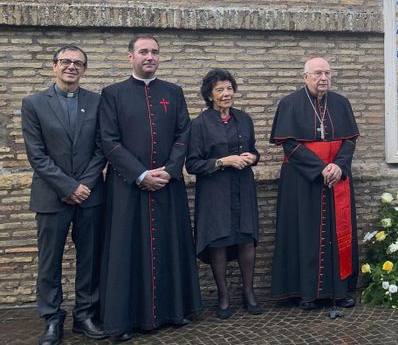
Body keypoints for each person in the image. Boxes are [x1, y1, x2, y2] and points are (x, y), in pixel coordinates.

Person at [98, 35, 202, 341]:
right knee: (127, 251)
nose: (150, 56)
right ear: (130, 56)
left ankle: (174, 310)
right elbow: (108, 140)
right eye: (143, 51)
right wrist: (140, 174)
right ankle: (126, 319)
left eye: (155, 52)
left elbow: (184, 132)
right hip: (128, 188)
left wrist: (170, 171)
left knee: (170, 245)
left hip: (168, 187)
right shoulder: (112, 94)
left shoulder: (174, 92)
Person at [21, 46, 107, 345]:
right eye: (66, 62)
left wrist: (84, 184)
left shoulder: (97, 102)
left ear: (84, 69)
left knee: (90, 258)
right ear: (54, 66)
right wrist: (69, 187)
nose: (72, 67)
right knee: (49, 261)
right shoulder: (33, 103)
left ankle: (85, 314)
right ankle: (52, 319)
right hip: (51, 197)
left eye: (78, 63)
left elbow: (102, 148)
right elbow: (37, 154)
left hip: (91, 195)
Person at [269, 56, 360, 309]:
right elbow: (289, 144)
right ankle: (304, 293)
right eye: (318, 73)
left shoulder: (341, 103)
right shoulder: (290, 104)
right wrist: (320, 169)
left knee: (337, 234)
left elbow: (350, 140)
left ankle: (339, 292)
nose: (323, 78)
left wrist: (338, 166)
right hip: (302, 182)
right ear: (305, 77)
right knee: (303, 234)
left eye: (327, 73)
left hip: (336, 179)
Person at [186, 69, 261, 319]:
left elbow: (253, 151)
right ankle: (223, 296)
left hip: (243, 188)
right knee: (218, 241)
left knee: (245, 239)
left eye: (229, 88)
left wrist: (253, 157)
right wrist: (222, 161)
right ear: (210, 95)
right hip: (214, 192)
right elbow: (192, 164)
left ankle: (249, 293)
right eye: (220, 90)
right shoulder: (199, 124)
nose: (226, 94)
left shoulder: (244, 119)